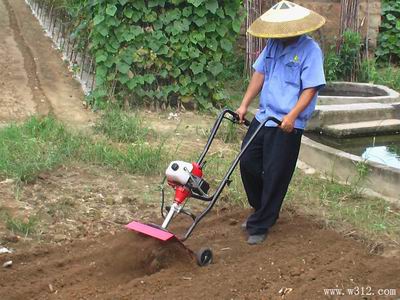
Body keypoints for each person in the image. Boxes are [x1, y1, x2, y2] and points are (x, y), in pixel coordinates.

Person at [236, 0, 326, 245]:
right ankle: (262, 209)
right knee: (248, 162)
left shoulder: (310, 50)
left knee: (276, 173)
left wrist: (293, 115)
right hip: (265, 115)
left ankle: (262, 222)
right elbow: (260, 74)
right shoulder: (273, 45)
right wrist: (244, 104)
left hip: (286, 123)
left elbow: (311, 87)